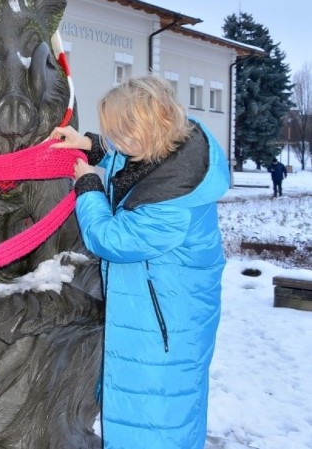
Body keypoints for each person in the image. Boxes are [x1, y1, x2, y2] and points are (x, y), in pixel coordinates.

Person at [49, 75, 229, 449]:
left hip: (165, 328)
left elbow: (111, 239)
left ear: (147, 128)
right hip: (159, 313)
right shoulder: (173, 150)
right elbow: (130, 164)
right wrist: (91, 146)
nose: (114, 140)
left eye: (118, 132)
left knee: (153, 423)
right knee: (152, 415)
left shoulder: (171, 201)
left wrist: (88, 188)